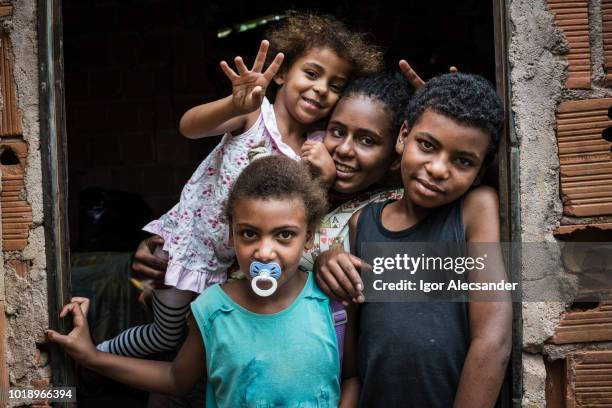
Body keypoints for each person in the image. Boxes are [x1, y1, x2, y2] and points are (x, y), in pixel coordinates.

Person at [97, 10, 383, 357]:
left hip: (234, 270)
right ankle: (92, 356)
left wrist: (324, 175)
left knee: (201, 350)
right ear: (281, 75)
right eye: (311, 73)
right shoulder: (252, 114)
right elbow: (189, 127)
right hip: (188, 250)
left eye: (335, 85)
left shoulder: (318, 146)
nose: (321, 89)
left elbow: (308, 216)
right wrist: (233, 103)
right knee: (165, 338)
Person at [47, 156, 360, 407]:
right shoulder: (211, 308)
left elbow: (350, 379)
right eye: (249, 233)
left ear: (308, 239)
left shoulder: (330, 301)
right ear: (231, 235)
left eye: (284, 235)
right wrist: (92, 356)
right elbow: (176, 379)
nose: (264, 252)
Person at [315, 73, 512, 407]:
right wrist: (325, 262)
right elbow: (354, 361)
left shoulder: (474, 210)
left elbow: (492, 338)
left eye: (462, 161)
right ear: (403, 136)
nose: (437, 168)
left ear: (479, 172)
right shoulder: (363, 223)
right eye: (428, 145)